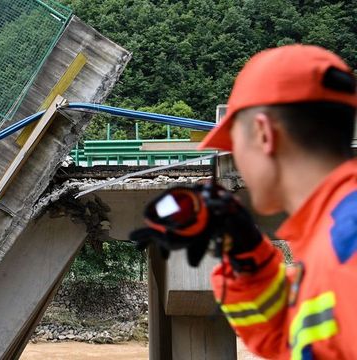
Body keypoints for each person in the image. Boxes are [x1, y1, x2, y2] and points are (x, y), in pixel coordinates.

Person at [132, 44, 357, 359]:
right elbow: (292, 339)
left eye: (234, 146)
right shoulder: (331, 238)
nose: (237, 162)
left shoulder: (347, 238)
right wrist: (246, 253)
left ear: (264, 134)